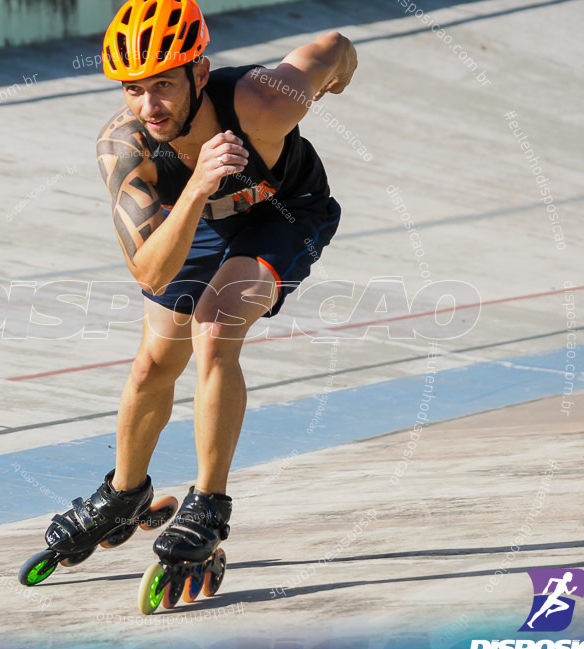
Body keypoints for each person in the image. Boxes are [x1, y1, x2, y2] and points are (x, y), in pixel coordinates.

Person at [42, 0, 356, 574]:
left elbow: (333, 45)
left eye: (162, 85)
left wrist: (341, 75)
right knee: (152, 365)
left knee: (214, 325)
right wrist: (197, 186)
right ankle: (123, 492)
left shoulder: (263, 100)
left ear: (200, 73)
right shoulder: (124, 146)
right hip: (198, 221)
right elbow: (150, 272)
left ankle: (209, 504)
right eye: (132, 89)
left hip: (283, 212)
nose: (148, 105)